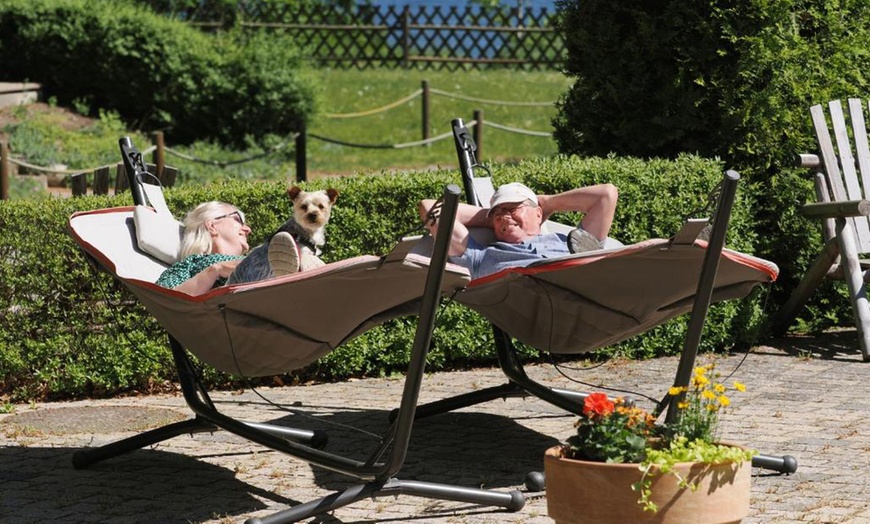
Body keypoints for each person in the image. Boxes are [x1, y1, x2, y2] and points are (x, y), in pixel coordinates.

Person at [418, 182, 618, 279]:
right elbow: (430, 208)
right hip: (534, 296)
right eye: (499, 212)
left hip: (584, 288)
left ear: (538, 214)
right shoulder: (481, 256)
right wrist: (491, 218)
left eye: (513, 208)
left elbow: (606, 195)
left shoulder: (570, 242)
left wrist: (548, 204)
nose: (504, 214)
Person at [156, 201, 302, 295]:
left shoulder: (246, 257)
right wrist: (216, 269)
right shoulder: (190, 265)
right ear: (212, 226)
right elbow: (168, 299)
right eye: (238, 220)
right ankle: (276, 260)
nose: (248, 229)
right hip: (234, 303)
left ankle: (300, 264)